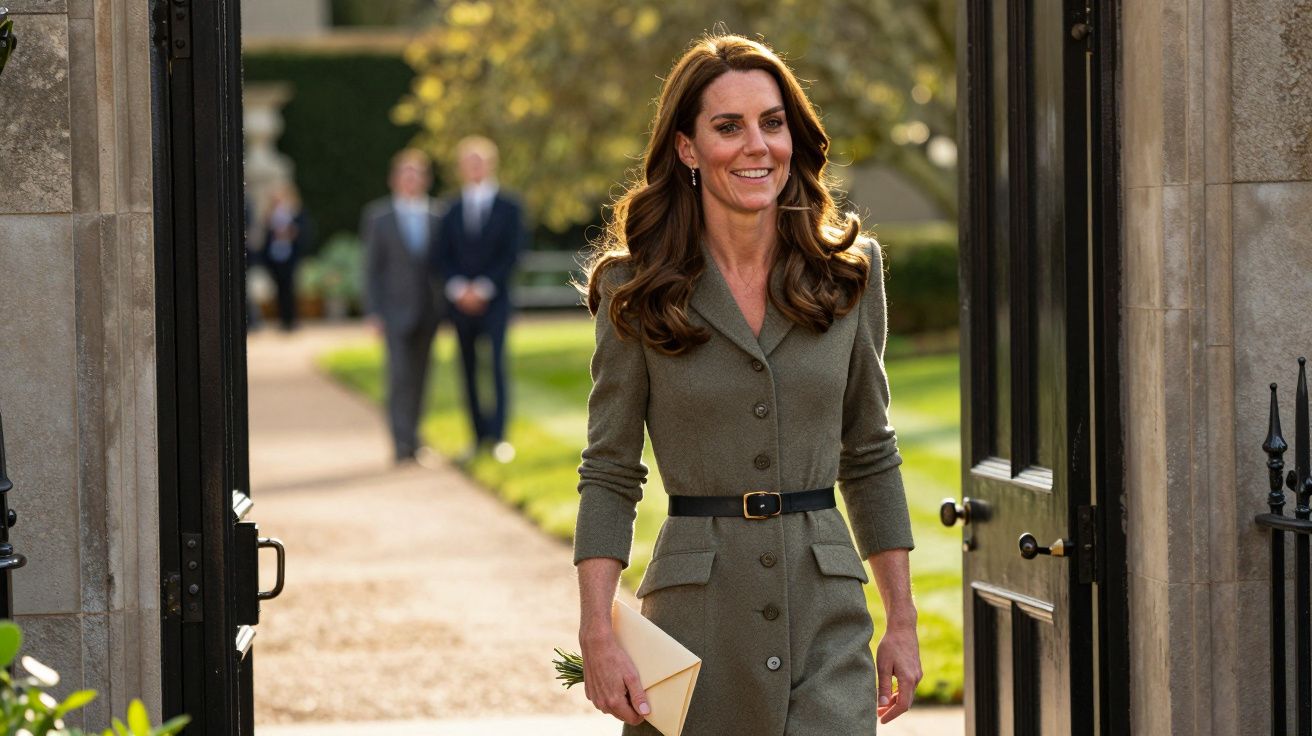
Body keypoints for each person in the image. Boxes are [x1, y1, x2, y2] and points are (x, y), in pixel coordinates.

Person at [573, 35, 922, 734]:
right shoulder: (634, 288)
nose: (756, 145)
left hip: (828, 610)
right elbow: (610, 470)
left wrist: (903, 620)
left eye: (771, 122)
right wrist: (597, 632)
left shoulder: (850, 275)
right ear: (687, 149)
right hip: (697, 619)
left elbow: (871, 452)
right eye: (727, 127)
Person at [433, 136, 525, 464]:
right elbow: (442, 256)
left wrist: (484, 287)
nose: (474, 167)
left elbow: (513, 254)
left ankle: (499, 438)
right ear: (461, 168)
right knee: (468, 369)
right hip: (460, 305)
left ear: (490, 164)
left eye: (479, 161)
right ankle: (477, 436)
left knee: (497, 366)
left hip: (495, 301)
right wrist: (460, 289)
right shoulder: (449, 209)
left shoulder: (510, 206)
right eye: (468, 162)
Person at [362, 148, 445, 464]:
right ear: (394, 179)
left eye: (417, 174)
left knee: (423, 376)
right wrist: (373, 311)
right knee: (398, 377)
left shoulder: (438, 215)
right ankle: (400, 444)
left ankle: (414, 439)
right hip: (393, 312)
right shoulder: (378, 217)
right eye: (405, 174)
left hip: (429, 311)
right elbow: (371, 268)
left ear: (425, 179)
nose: (411, 180)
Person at [262, 181, 310, 331]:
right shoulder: (270, 214)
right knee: (279, 288)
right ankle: (283, 320)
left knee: (290, 288)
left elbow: (304, 231)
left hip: (291, 255)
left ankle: (292, 319)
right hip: (274, 256)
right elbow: (266, 236)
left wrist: (292, 232)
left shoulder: (296, 212)